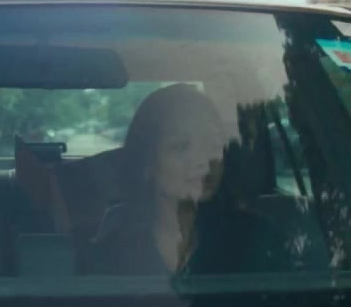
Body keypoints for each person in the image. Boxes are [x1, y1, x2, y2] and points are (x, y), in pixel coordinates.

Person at [88, 83, 260, 276]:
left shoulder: (255, 240)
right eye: (180, 147)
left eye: (213, 144)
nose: (203, 159)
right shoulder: (111, 252)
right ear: (147, 163)